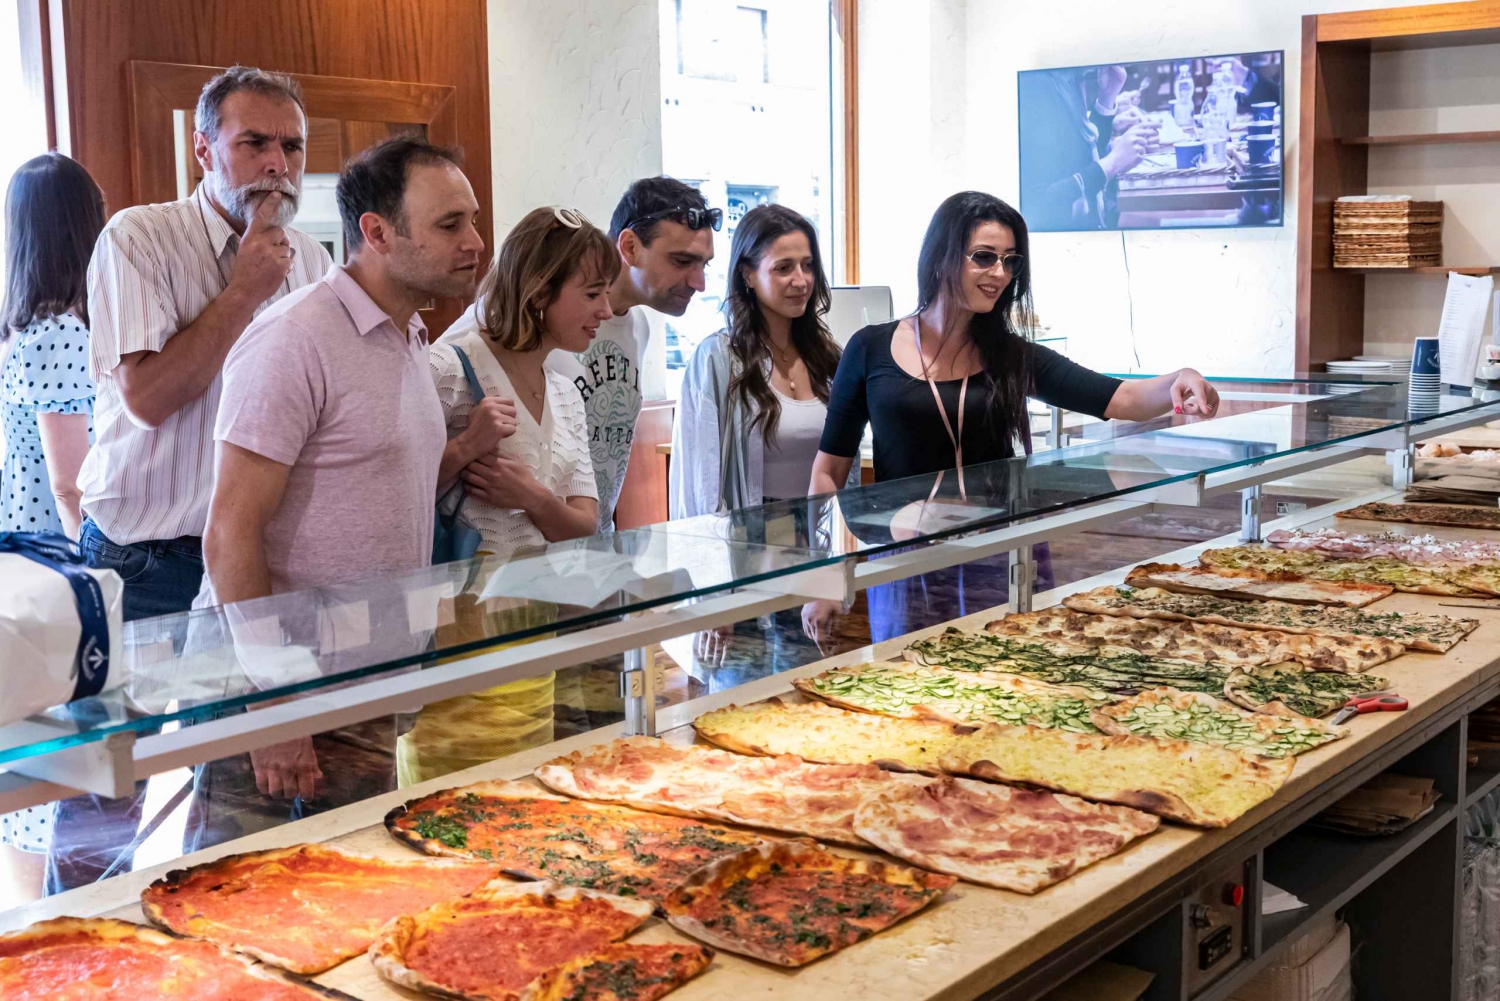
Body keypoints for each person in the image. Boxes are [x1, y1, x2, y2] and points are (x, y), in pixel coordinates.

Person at [198, 136, 483, 802]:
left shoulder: (409, 333)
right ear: (378, 232)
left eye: (471, 219)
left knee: (365, 892)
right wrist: (279, 698)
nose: (474, 241)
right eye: (450, 224)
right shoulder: (295, 337)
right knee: (243, 899)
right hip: (282, 693)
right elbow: (230, 532)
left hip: (368, 686)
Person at [806, 191, 1218, 645]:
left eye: (1010, 261)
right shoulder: (869, 348)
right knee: (910, 690)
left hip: (1000, 553)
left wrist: (1181, 378)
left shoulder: (1013, 355)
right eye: (984, 257)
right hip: (907, 559)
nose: (999, 274)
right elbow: (828, 471)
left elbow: (1119, 398)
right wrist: (824, 578)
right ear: (943, 255)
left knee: (1006, 686)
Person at [75, 65, 331, 622]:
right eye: (254, 143)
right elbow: (147, 399)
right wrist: (243, 293)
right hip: (143, 558)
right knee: (124, 714)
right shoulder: (137, 238)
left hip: (258, 552)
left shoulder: (313, 261)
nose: (278, 165)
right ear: (204, 150)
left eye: (293, 146)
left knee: (252, 713)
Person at [397, 206, 614, 785]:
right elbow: (390, 499)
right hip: (452, 630)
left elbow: (585, 522)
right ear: (540, 292)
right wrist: (467, 446)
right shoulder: (447, 367)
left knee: (525, 797)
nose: (606, 311)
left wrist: (534, 498)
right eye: (592, 293)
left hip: (531, 625)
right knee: (445, 804)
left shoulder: (567, 390)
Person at [441, 175, 718, 531]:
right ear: (630, 247)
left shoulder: (638, 328)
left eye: (704, 265)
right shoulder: (507, 320)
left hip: (588, 546)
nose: (700, 283)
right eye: (682, 261)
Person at [0, 151, 106, 904]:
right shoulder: (63, 334)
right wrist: (104, 572)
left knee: (27, 783)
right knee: (57, 777)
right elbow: (70, 481)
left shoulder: (17, 335)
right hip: (54, 580)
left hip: (17, 569)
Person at [670, 203, 856, 518]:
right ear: (748, 275)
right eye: (783, 268)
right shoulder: (717, 359)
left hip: (824, 532)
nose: (801, 281)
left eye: (808, 265)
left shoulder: (830, 357)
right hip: (749, 540)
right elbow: (699, 484)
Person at [1018, 65, 1160, 231]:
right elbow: (1037, 208)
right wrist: (1113, 161)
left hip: (1097, 218)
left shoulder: (1069, 77)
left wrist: (1107, 100)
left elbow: (1077, 158)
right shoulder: (1035, 86)